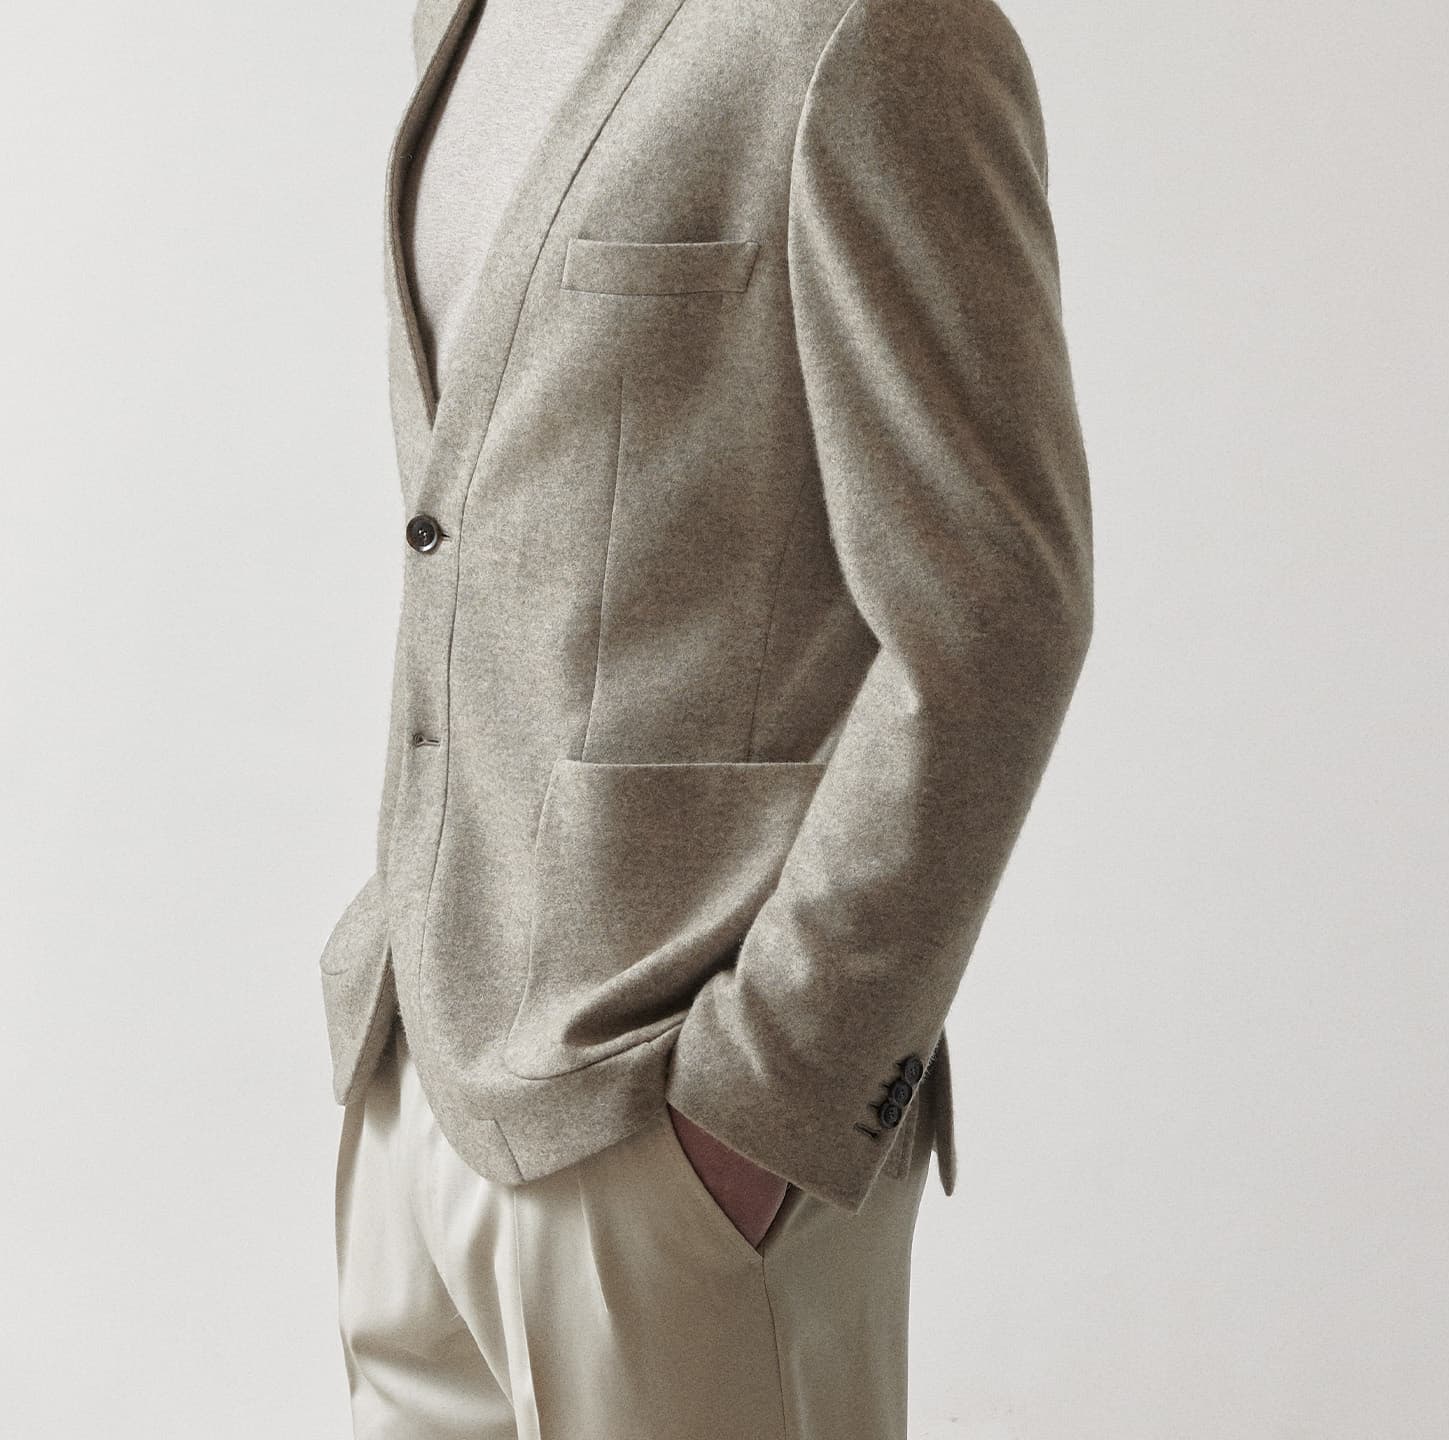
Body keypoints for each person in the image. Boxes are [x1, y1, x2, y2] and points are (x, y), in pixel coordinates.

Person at [316, 0, 1095, 1432]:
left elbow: (990, 618)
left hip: (666, 1127)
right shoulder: (460, 16)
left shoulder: (870, 35)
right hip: (418, 1074)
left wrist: (770, 1091)